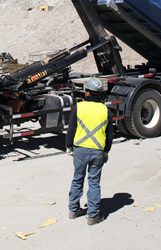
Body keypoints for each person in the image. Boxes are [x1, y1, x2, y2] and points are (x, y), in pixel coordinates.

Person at [65, 78, 113, 225]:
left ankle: (73, 210)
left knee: (77, 178)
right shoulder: (106, 111)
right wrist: (106, 151)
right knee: (94, 182)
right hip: (97, 151)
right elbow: (109, 135)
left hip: (80, 149)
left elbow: (71, 129)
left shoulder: (78, 107)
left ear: (87, 92)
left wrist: (69, 145)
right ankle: (93, 216)